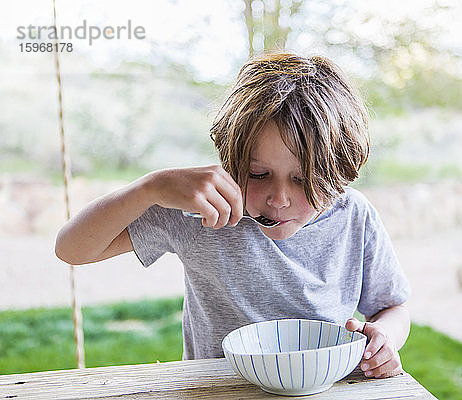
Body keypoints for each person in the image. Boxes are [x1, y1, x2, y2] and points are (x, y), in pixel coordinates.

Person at [55, 52, 411, 379]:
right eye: (258, 174)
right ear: (232, 160)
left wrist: (386, 337)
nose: (279, 198)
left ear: (339, 171)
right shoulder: (201, 211)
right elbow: (72, 249)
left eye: (304, 179)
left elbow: (392, 307)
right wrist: (151, 187)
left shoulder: (353, 215)